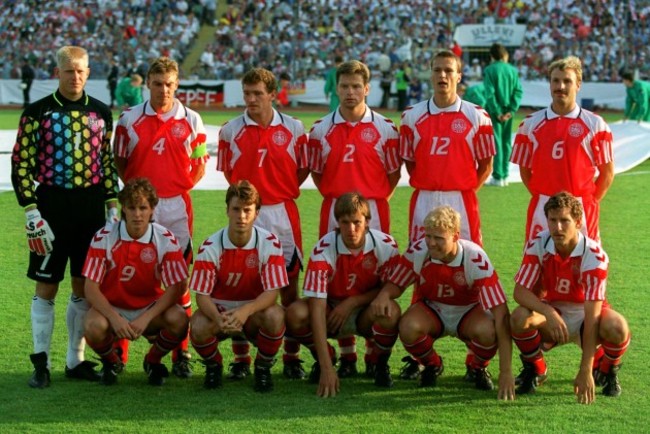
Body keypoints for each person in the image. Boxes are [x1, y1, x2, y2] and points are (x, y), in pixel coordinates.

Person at [11, 45, 119, 388]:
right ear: (57, 72)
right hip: (51, 207)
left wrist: (112, 204)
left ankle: (76, 361)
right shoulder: (37, 112)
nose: (76, 77)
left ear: (89, 73)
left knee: (83, 286)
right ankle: (40, 363)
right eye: (70, 71)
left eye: (82, 71)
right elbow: (21, 164)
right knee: (47, 285)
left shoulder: (101, 112)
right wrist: (31, 209)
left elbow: (107, 163)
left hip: (90, 209)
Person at [113, 56, 208, 378]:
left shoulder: (192, 120)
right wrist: (140, 195)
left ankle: (180, 353)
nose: (163, 90)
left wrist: (178, 187)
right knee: (134, 271)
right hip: (141, 206)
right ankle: (120, 351)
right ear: (148, 84)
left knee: (177, 278)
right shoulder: (128, 120)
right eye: (157, 84)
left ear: (177, 84)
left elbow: (200, 162)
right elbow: (120, 162)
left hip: (177, 207)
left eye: (169, 84)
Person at [308, 60, 401, 373]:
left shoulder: (386, 128)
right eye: (344, 86)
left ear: (367, 89)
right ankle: (346, 355)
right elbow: (318, 175)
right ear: (336, 88)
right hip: (334, 206)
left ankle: (374, 355)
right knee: (334, 277)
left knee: (375, 274)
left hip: (373, 207)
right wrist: (340, 199)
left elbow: (393, 173)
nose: (350, 92)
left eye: (356, 86)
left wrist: (370, 201)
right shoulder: (321, 129)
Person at [217, 67, 309, 380]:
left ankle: (291, 357)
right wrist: (252, 202)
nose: (252, 99)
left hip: (283, 214)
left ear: (272, 94)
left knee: (289, 289)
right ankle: (242, 359)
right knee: (243, 286)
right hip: (248, 213)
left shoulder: (295, 129)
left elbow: (302, 170)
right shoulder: (230, 130)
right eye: (247, 94)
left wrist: (277, 191)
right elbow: (231, 176)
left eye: (258, 93)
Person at [371, 206, 515, 400]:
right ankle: (432, 364)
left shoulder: (475, 258)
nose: (431, 243)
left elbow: (501, 314)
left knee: (489, 331)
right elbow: (396, 284)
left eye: (439, 238)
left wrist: (505, 372)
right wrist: (384, 295)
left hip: (468, 310)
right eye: (428, 236)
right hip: (432, 308)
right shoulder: (419, 250)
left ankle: (477, 367)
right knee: (408, 327)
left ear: (455, 236)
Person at [510, 192, 630, 403]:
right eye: (552, 220)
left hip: (586, 315)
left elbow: (592, 317)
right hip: (553, 312)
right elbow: (520, 292)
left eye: (564, 221)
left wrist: (584, 369)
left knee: (618, 326)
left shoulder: (594, 255)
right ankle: (536, 369)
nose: (557, 228)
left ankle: (607, 370)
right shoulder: (538, 243)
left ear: (578, 222)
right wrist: (548, 311)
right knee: (519, 318)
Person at [285, 192, 401, 397]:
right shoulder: (323, 251)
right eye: (345, 222)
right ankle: (326, 358)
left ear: (367, 222)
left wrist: (353, 301)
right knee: (295, 313)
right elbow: (317, 307)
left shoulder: (386, 245)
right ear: (337, 223)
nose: (351, 229)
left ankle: (379, 362)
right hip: (331, 311)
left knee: (390, 310)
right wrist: (327, 368)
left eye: (357, 222)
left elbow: (391, 288)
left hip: (366, 310)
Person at [83, 178, 189, 386]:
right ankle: (112, 362)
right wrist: (115, 318)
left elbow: (177, 286)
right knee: (92, 325)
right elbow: (90, 288)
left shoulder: (165, 238)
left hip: (148, 308)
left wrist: (146, 318)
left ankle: (152, 360)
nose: (137, 214)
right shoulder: (103, 237)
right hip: (113, 307)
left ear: (152, 209)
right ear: (123, 209)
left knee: (179, 320)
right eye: (132, 208)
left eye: (143, 208)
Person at [189, 180, 288, 392]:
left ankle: (262, 368)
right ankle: (214, 366)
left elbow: (272, 293)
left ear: (257, 213)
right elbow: (202, 296)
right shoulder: (210, 246)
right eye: (236, 209)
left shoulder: (270, 243)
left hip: (253, 311)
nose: (241, 216)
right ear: (227, 210)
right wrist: (217, 318)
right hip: (220, 311)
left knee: (275, 316)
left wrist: (245, 311)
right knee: (197, 325)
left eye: (247, 210)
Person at [511, 56, 614, 242]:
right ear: (549, 84)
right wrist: (543, 195)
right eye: (556, 80)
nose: (561, 86)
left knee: (584, 264)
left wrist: (588, 201)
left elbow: (607, 173)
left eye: (567, 81)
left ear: (578, 85)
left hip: (581, 206)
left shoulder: (596, 124)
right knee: (539, 262)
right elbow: (525, 170)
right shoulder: (529, 124)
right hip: (543, 205)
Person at [400, 49, 495, 245]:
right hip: (424, 199)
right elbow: (410, 162)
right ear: (431, 75)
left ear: (459, 76)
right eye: (437, 70)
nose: (442, 75)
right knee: (421, 258)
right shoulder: (411, 116)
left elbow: (486, 166)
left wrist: (463, 190)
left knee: (467, 257)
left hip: (461, 200)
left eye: (449, 70)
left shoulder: (478, 116)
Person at [482, 43, 523, 187]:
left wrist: (497, 111)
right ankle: (505, 175)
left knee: (497, 142)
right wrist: (511, 110)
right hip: (508, 112)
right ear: (505, 55)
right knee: (506, 143)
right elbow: (518, 91)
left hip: (495, 112)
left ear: (492, 56)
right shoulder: (512, 70)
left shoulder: (489, 70)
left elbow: (489, 93)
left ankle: (498, 176)